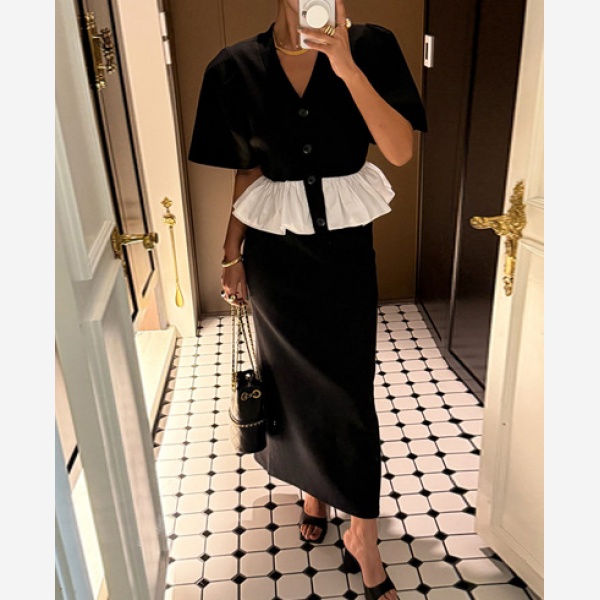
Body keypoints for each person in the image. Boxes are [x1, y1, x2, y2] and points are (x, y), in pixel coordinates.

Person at [188, 1, 427, 598]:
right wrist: (231, 253)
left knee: (350, 390)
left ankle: (363, 534)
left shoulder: (371, 47)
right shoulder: (234, 67)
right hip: (275, 259)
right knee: (289, 383)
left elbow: (399, 149)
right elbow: (248, 172)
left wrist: (345, 68)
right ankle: (314, 491)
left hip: (345, 254)